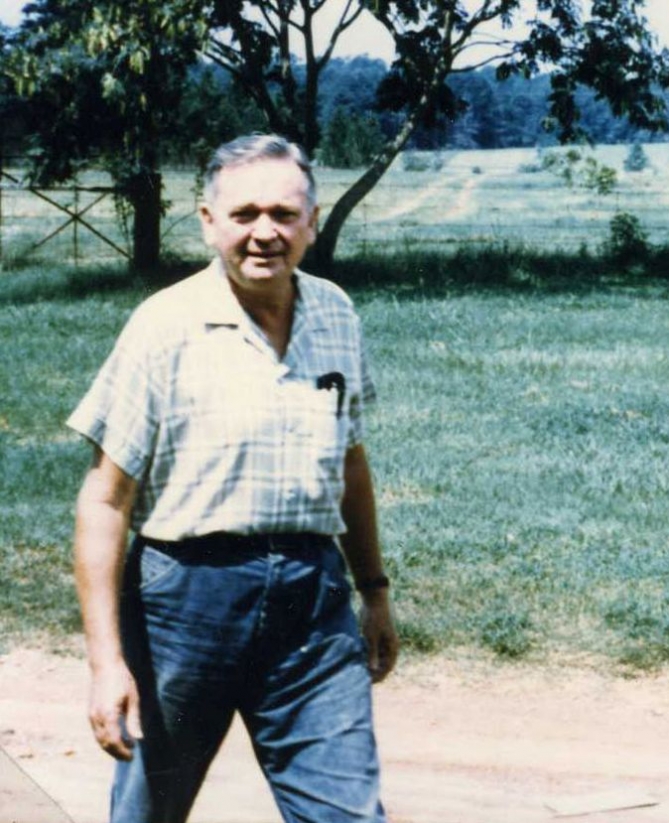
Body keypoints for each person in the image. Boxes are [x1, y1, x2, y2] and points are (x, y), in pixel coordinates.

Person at [69, 134, 399, 823]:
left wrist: (374, 590)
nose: (264, 233)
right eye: (244, 213)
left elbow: (349, 464)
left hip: (313, 603)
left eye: (284, 213)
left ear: (311, 221)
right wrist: (108, 661)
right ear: (208, 220)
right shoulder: (164, 326)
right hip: (185, 602)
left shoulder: (336, 312)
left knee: (348, 815)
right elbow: (105, 499)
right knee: (148, 811)